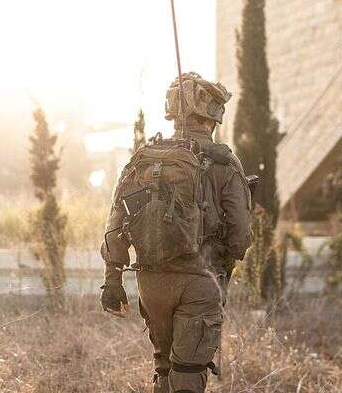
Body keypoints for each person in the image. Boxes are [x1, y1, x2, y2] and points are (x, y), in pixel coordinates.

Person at [99, 72, 252, 393]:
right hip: (199, 283)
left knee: (164, 371)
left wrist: (112, 283)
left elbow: (115, 225)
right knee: (187, 376)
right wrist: (222, 264)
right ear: (213, 115)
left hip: (151, 284)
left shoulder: (143, 159)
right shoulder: (224, 163)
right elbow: (240, 236)